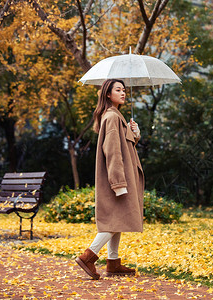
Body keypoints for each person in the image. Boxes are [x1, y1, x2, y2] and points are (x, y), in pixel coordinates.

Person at [75, 79, 144, 280]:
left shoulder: (116, 116)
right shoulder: (112, 117)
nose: (123, 93)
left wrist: (134, 133)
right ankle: (88, 256)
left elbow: (125, 145)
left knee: (119, 217)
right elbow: (112, 151)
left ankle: (113, 263)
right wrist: (118, 183)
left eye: (124, 90)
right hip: (118, 178)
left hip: (121, 176)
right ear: (107, 94)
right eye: (118, 90)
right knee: (115, 220)